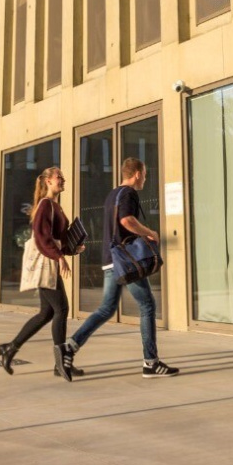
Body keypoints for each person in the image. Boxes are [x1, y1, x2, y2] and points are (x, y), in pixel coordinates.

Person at [66, 157, 179, 377]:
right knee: (147, 305)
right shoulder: (128, 193)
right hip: (125, 261)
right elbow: (126, 221)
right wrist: (150, 233)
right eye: (144, 174)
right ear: (137, 174)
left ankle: (69, 347)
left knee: (106, 308)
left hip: (111, 259)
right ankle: (150, 363)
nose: (145, 178)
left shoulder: (113, 194)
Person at [0, 167, 78, 381]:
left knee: (47, 313)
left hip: (50, 262)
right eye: (59, 177)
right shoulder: (45, 205)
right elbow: (42, 238)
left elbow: (58, 239)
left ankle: (10, 348)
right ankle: (61, 362)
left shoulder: (56, 206)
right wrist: (59, 257)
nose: (63, 180)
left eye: (62, 177)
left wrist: (72, 249)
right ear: (48, 181)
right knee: (61, 309)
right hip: (46, 263)